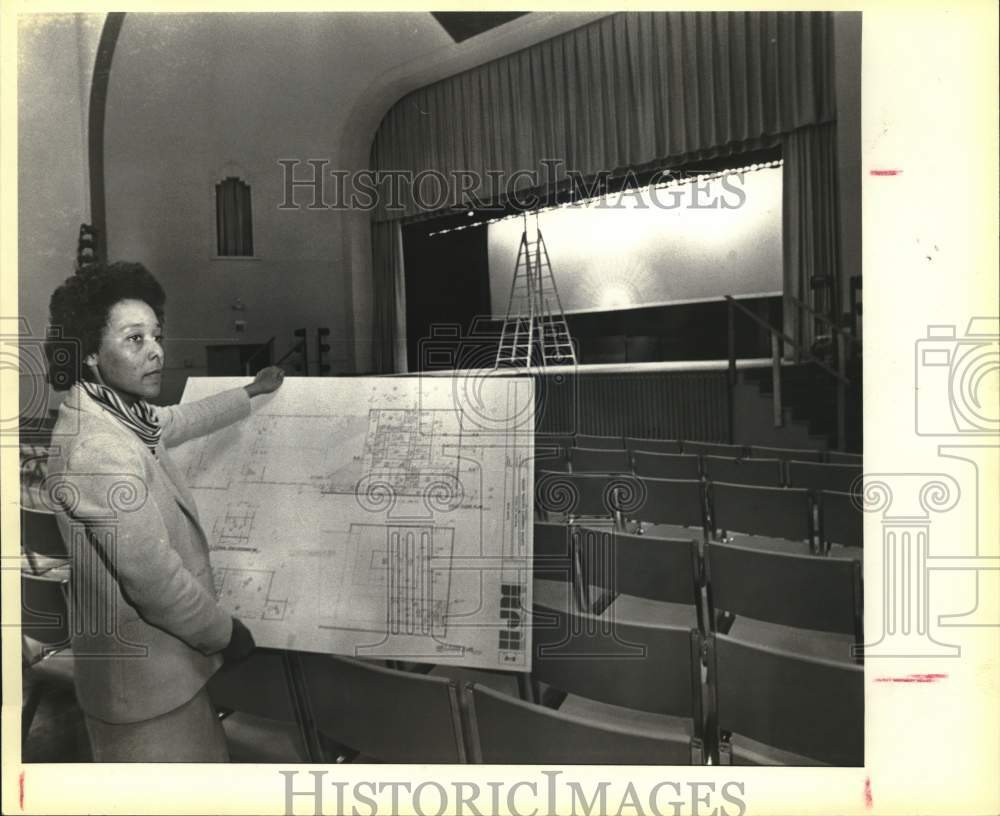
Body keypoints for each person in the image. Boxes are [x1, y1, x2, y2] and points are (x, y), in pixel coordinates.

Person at [43, 261, 285, 762]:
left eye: (157, 335)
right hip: (143, 692)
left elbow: (176, 420)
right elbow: (158, 588)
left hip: (160, 674)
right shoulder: (98, 448)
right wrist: (226, 632)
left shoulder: (113, 410)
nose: (155, 350)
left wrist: (250, 392)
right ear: (89, 352)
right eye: (135, 339)